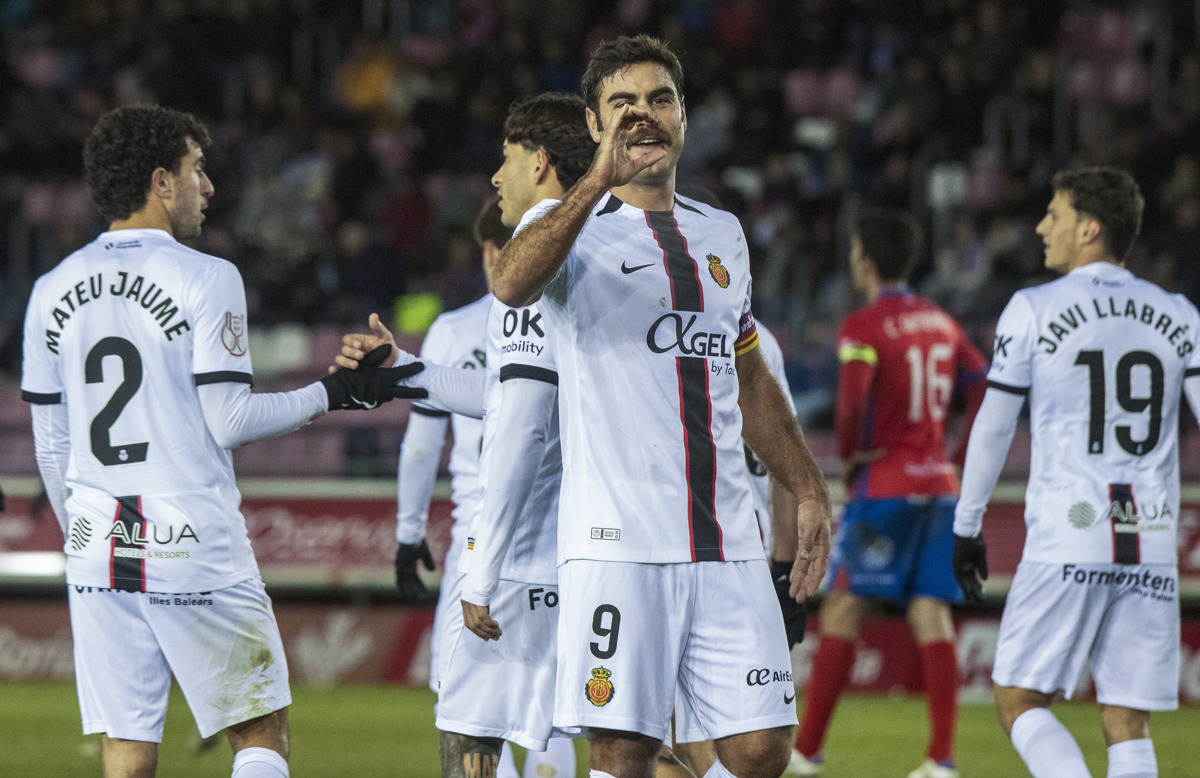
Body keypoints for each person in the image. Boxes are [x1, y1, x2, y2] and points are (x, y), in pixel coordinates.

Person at [19, 105, 418, 778]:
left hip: (94, 545)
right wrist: (336, 393)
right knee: (258, 728)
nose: (207, 186)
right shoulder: (206, 276)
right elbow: (230, 421)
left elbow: (52, 449)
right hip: (189, 538)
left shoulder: (48, 289)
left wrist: (81, 530)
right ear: (160, 181)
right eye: (196, 169)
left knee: (126, 746)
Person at [486, 35, 832, 778]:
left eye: (659, 99)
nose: (643, 115)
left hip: (727, 539)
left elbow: (749, 375)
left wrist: (807, 484)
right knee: (624, 751)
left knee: (762, 748)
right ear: (593, 124)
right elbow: (511, 283)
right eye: (622, 104)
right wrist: (595, 182)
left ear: (683, 116)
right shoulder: (568, 228)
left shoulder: (722, 233)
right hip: (618, 542)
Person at [340, 92, 598, 778]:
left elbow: (518, 425)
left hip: (520, 551)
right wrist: (404, 372)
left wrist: (482, 566)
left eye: (506, 159)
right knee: (622, 741)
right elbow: (513, 396)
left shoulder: (533, 259)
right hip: (604, 550)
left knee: (468, 735)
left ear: (539, 164)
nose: (494, 176)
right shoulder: (619, 244)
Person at [953, 167, 1193, 778]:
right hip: (1151, 538)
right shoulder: (1180, 314)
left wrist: (967, 524)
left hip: (1071, 530)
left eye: (1054, 215)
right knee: (1127, 719)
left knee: (1018, 699)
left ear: (1089, 229)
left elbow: (995, 424)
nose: (1041, 227)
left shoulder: (1033, 308)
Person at [787, 207, 986, 778]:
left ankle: (807, 750)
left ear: (866, 263)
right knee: (931, 611)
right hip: (940, 486)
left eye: (854, 253)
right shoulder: (942, 322)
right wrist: (959, 455)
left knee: (844, 604)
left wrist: (851, 455)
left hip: (887, 484)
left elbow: (851, 402)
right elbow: (982, 382)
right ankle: (941, 757)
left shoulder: (864, 326)